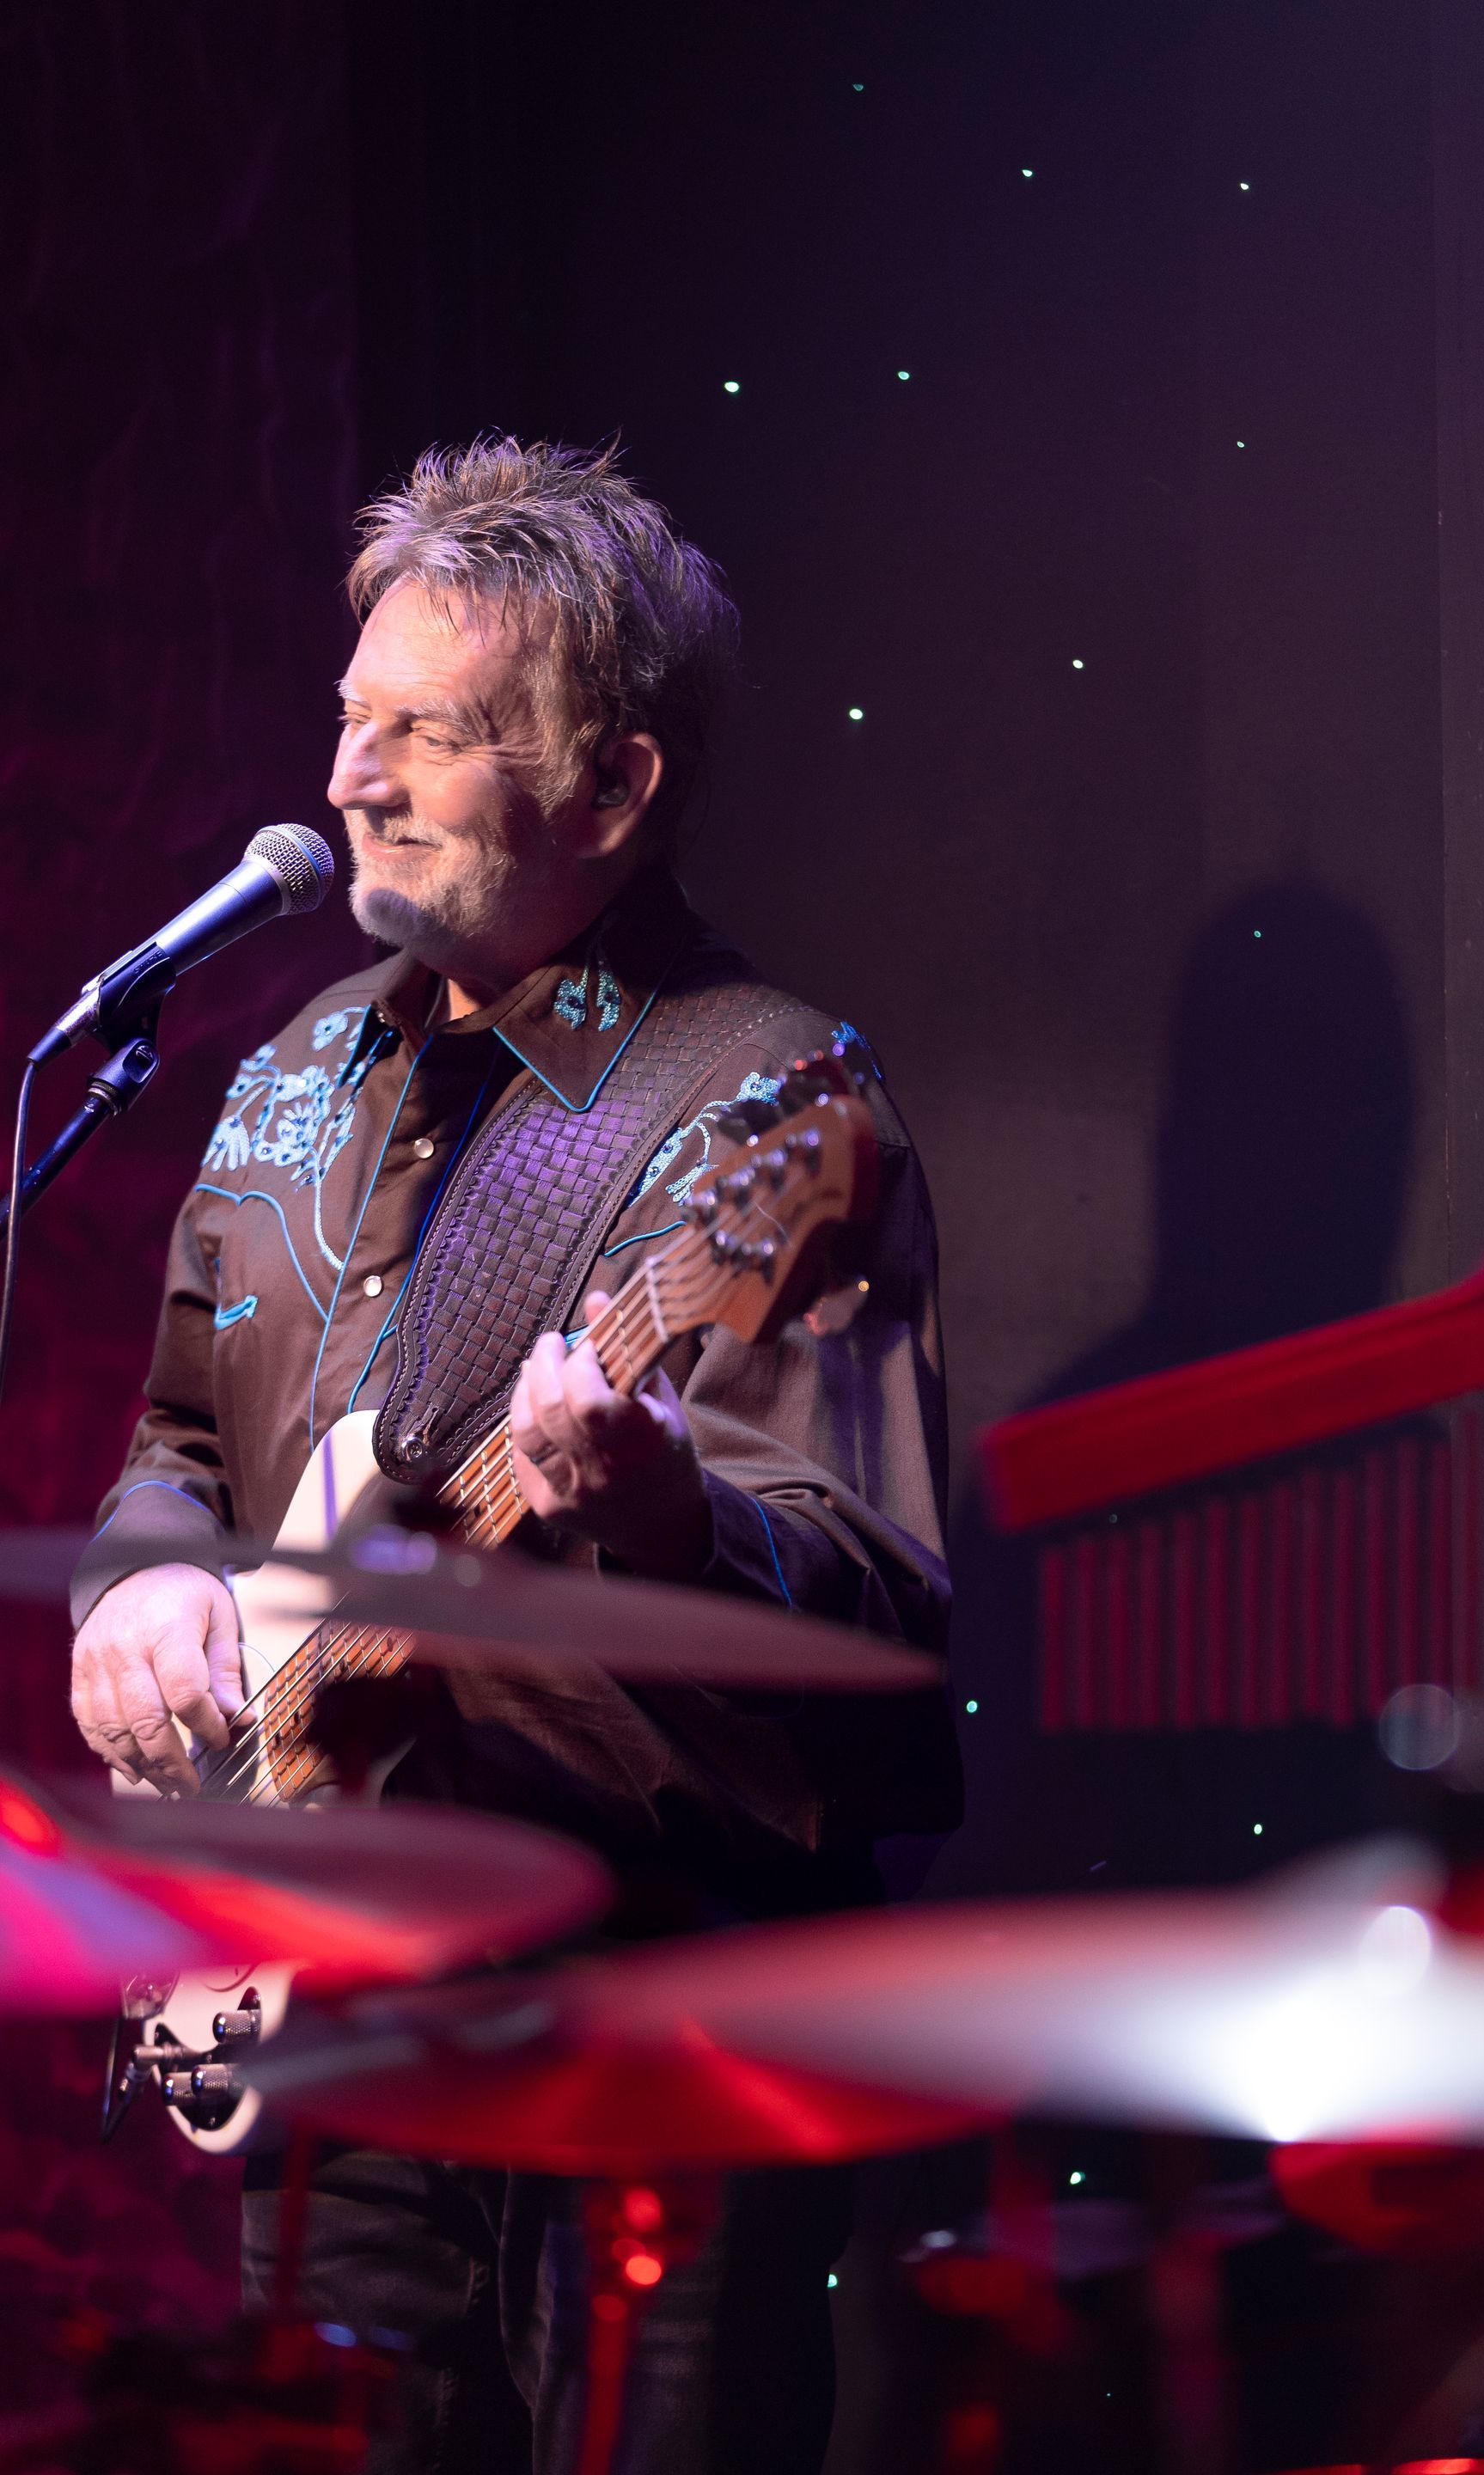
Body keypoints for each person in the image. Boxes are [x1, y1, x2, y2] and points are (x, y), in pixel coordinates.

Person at [67, 438, 960, 2473]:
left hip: (649, 2017)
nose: (351, 777)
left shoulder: (772, 1106)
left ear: (615, 788)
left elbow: (882, 1585)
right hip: (348, 2005)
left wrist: (670, 1515)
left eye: (429, 736)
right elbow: (177, 1441)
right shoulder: (295, 1075)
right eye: (351, 719)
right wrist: (145, 1583)